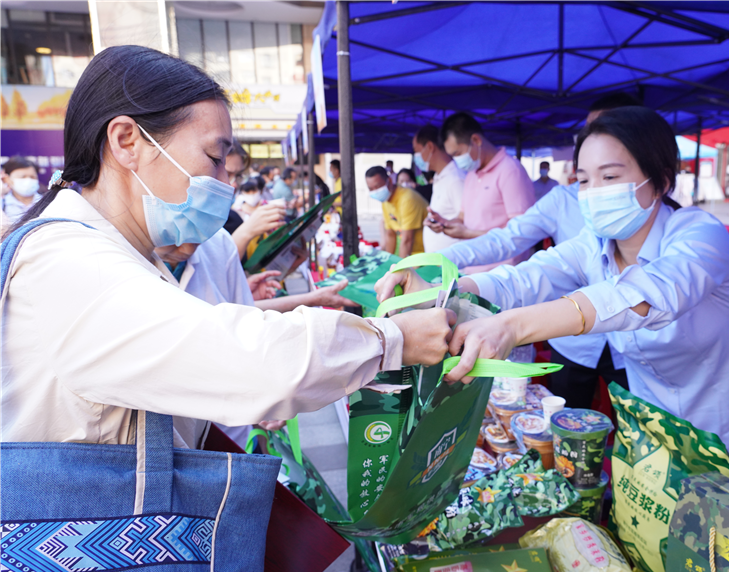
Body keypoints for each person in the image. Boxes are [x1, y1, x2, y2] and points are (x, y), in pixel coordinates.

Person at [1, 46, 453, 453]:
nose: (224, 185)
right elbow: (252, 357)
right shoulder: (72, 264)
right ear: (126, 142)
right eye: (214, 158)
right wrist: (391, 340)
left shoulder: (122, 253)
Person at [379, 107, 729, 522]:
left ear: (660, 180)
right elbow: (524, 277)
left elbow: (649, 295)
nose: (593, 192)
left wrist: (512, 326)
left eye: (610, 177)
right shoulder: (595, 244)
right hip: (671, 443)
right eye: (584, 179)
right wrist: (440, 283)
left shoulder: (699, 234)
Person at [437, 93, 642, 408]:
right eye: (590, 134)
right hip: (574, 344)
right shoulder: (566, 203)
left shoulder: (681, 229)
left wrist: (513, 326)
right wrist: (443, 267)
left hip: (633, 346)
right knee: (564, 426)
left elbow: (647, 293)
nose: (596, 141)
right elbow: (517, 250)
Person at [155, 231, 358, 446]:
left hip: (230, 435)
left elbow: (243, 325)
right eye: (173, 242)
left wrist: (261, 390)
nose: (187, 248)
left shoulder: (219, 242)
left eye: (198, 236)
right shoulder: (123, 264)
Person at [431, 112, 536, 273]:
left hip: (503, 275)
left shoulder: (510, 171)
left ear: (476, 140)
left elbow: (521, 233)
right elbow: (463, 217)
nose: (456, 161)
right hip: (473, 271)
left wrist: (468, 234)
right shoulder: (472, 174)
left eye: (458, 154)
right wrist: (445, 223)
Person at [415, 124, 465, 253]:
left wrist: (443, 224)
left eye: (417, 151)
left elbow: (467, 221)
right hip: (441, 263)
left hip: (455, 264)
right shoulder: (439, 177)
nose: (416, 157)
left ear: (430, 147)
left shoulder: (456, 179)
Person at [366, 165, 428, 258]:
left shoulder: (407, 198)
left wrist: (401, 269)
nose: (375, 191)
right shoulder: (386, 201)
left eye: (377, 186)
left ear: (389, 181)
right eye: (371, 189)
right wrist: (388, 261)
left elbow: (407, 240)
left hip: (424, 255)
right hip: (411, 254)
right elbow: (390, 234)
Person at [2, 156, 42, 223]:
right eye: (22, 177)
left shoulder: (48, 202)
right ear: (7, 179)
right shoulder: (3, 204)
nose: (28, 180)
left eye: (32, 177)